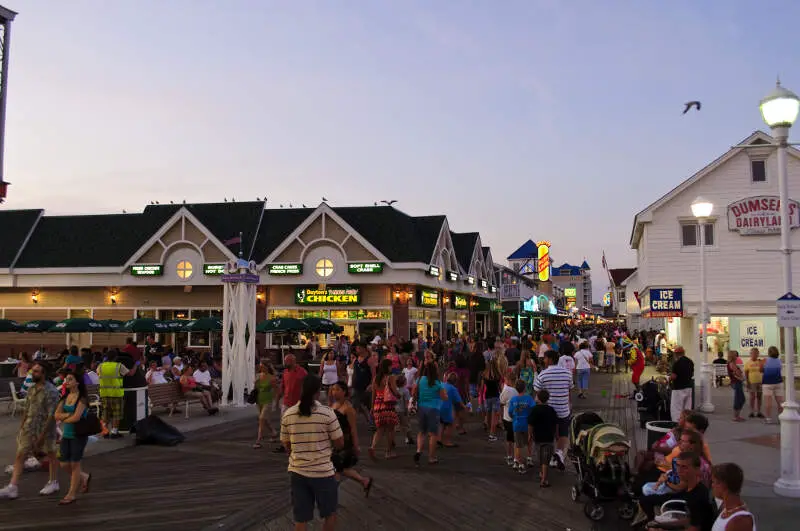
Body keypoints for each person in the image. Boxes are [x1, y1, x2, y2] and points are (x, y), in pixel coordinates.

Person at [280, 375, 344, 531]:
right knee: (330, 514)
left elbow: (286, 444)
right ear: (318, 392)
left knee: (301, 519)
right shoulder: (327, 413)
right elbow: (339, 443)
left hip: (298, 471)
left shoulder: (288, 414)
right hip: (323, 472)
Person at [0, 362, 61, 499]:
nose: (32, 374)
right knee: (20, 454)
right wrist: (22, 426)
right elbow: (27, 409)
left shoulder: (51, 391)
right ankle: (12, 487)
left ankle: (53, 481)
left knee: (50, 455)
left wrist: (41, 436)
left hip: (45, 430)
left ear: (44, 373)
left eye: (36, 372)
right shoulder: (31, 389)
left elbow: (51, 415)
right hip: (29, 428)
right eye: (32, 371)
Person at [635, 452, 716, 529]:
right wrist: (660, 525)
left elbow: (693, 527)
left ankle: (649, 519)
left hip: (679, 504)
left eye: (684, 467)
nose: (679, 470)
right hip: (679, 499)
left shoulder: (697, 497)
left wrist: (662, 527)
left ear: (697, 469)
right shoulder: (692, 487)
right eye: (677, 466)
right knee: (646, 498)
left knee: (645, 499)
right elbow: (688, 521)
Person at [54, 371, 92, 505]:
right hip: (67, 434)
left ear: (77, 382)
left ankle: (71, 494)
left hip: (78, 435)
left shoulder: (82, 399)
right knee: (64, 463)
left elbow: (77, 417)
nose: (67, 381)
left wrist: (64, 416)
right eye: (66, 379)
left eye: (70, 379)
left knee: (75, 463)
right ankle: (84, 477)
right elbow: (56, 415)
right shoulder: (64, 398)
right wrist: (66, 416)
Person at [328, 381, 373, 497]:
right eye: (333, 389)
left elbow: (353, 429)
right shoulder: (333, 405)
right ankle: (364, 481)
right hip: (334, 440)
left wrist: (356, 445)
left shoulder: (349, 409)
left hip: (345, 442)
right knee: (341, 468)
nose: (334, 392)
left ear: (344, 392)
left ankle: (332, 495)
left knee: (337, 468)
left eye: (337, 389)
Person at [533, 350, 573, 470]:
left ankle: (551, 457)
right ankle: (559, 454)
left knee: (549, 435)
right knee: (563, 434)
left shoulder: (543, 374)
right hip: (563, 409)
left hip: (548, 411)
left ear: (550, 359)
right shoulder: (567, 373)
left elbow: (537, 391)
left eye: (544, 358)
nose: (543, 360)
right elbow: (570, 390)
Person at [413, 362, 448, 466]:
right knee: (433, 434)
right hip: (434, 409)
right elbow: (444, 397)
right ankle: (431, 457)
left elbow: (413, 392)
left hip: (421, 407)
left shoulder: (420, 380)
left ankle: (419, 450)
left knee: (422, 432)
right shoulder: (438, 383)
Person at [98, 350, 134, 439]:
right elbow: (130, 373)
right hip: (116, 393)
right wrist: (136, 364)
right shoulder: (119, 366)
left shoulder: (101, 366)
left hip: (104, 393)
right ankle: (114, 432)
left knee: (105, 413)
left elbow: (98, 373)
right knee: (116, 414)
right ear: (115, 357)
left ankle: (105, 431)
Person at [711, 463, 756, 530]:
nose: (712, 485)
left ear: (723, 485)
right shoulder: (727, 508)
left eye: (713, 482)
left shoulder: (740, 520)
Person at [369, 358, 399, 460]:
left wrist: (372, 408)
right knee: (390, 430)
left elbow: (373, 394)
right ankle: (388, 452)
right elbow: (395, 391)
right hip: (388, 405)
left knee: (380, 429)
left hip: (377, 405)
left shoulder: (376, 378)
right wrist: (399, 395)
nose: (392, 367)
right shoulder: (390, 378)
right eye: (391, 366)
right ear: (387, 367)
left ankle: (373, 447)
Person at [528, 389, 558, 488]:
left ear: (538, 398)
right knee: (545, 459)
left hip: (538, 438)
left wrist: (529, 435)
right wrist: (556, 435)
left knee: (541, 458)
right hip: (549, 438)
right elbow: (556, 424)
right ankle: (543, 476)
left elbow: (531, 424)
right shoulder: (551, 410)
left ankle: (544, 479)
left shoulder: (534, 410)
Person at [508, 379, 535, 474]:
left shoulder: (513, 399)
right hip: (527, 424)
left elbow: (510, 413)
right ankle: (529, 457)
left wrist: (515, 418)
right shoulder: (529, 398)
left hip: (517, 424)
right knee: (529, 441)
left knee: (518, 445)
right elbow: (533, 409)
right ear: (525, 388)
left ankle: (519, 462)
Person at [253, 362, 278, 449]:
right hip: (259, 400)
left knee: (261, 418)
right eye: (260, 367)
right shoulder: (258, 376)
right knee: (264, 419)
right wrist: (255, 382)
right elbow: (256, 388)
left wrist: (275, 401)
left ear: (267, 367)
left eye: (262, 367)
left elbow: (276, 390)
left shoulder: (271, 378)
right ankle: (273, 432)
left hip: (268, 400)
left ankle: (258, 440)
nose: (261, 368)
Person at [499, 372, 519, 467]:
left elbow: (501, 401)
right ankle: (516, 457)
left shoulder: (507, 390)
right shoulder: (517, 390)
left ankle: (509, 456)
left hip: (507, 417)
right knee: (515, 440)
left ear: (509, 380)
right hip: (516, 418)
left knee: (509, 439)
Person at [670, 346, 694, 422]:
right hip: (688, 387)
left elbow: (674, 376)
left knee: (676, 409)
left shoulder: (677, 363)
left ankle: (677, 425)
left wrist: (668, 378)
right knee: (687, 409)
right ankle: (687, 424)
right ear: (683, 353)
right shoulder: (690, 361)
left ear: (676, 354)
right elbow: (692, 373)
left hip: (678, 389)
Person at [762, 345, 783, 424]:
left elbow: (761, 369)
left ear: (769, 352)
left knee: (768, 402)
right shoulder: (779, 361)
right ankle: (780, 418)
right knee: (780, 402)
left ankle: (768, 418)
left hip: (767, 382)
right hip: (778, 382)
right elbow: (780, 369)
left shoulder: (765, 360)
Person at [483, 357, 503, 442]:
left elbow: (482, 386)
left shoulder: (484, 375)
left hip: (487, 396)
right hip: (495, 396)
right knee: (495, 417)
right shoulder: (498, 375)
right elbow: (500, 387)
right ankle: (492, 434)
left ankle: (488, 430)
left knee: (488, 414)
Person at [744, 348, 764, 419]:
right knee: (752, 397)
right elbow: (746, 373)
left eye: (756, 353)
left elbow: (763, 371)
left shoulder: (760, 362)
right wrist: (747, 382)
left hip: (760, 382)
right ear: (750, 354)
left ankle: (759, 412)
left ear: (758, 354)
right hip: (751, 382)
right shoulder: (748, 363)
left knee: (759, 397)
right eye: (752, 353)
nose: (754, 355)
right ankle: (751, 412)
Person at [727, 351, 746, 422]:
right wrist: (742, 377)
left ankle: (737, 415)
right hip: (736, 382)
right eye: (735, 355)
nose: (737, 356)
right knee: (739, 398)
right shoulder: (732, 364)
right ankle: (736, 416)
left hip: (736, 382)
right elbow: (737, 374)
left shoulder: (731, 363)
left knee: (740, 398)